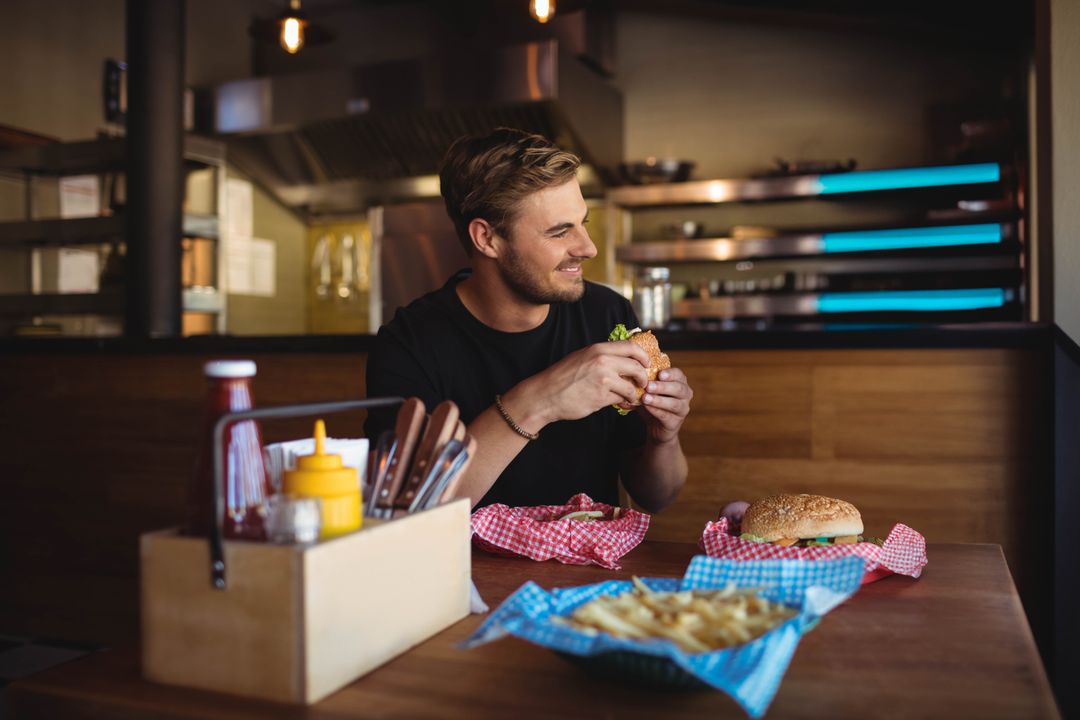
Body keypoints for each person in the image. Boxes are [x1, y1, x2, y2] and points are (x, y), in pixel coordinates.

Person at [364, 128, 692, 512]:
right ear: (487, 238)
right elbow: (410, 512)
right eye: (559, 231)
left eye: (583, 222)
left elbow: (657, 496)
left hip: (590, 570)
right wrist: (538, 401)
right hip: (464, 570)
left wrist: (662, 437)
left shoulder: (607, 313)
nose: (588, 247)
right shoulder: (409, 343)